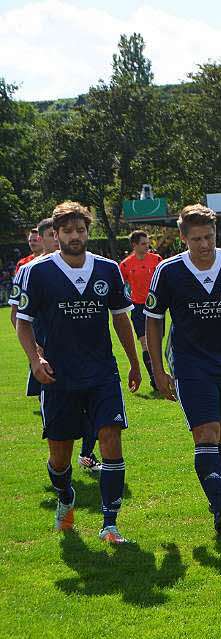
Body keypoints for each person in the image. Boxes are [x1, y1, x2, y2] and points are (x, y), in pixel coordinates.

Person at [15, 201, 141, 544]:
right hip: (58, 376)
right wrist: (34, 359)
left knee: (111, 438)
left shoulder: (107, 269)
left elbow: (120, 318)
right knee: (60, 455)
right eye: (67, 231)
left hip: (101, 372)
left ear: (88, 232)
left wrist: (133, 361)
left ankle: (110, 524)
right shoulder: (36, 272)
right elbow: (22, 324)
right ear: (55, 235)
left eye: (80, 230)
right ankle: (65, 494)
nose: (74, 236)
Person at [145, 204, 221, 534]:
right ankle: (219, 508)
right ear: (183, 238)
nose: (204, 245)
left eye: (209, 237)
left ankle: (218, 494)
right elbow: (154, 322)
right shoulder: (168, 271)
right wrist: (157, 370)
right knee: (207, 433)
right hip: (190, 363)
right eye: (196, 238)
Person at [11, 217, 101, 472]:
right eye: (51, 234)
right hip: (49, 353)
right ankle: (62, 464)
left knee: (97, 406)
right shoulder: (28, 270)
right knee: (60, 415)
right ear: (44, 238)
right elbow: (16, 316)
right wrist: (35, 351)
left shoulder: (84, 266)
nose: (56, 238)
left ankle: (86, 454)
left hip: (87, 355)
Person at [119, 230, 162, 389]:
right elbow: (121, 288)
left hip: (156, 306)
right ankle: (155, 379)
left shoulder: (157, 260)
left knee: (156, 343)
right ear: (134, 245)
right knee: (145, 344)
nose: (147, 246)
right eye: (143, 243)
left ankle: (159, 374)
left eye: (147, 242)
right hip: (138, 308)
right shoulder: (125, 265)